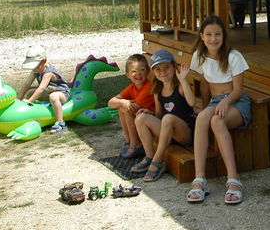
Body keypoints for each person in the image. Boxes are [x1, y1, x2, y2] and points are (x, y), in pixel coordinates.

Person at [186, 15, 252, 205]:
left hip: (236, 102)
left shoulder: (233, 56)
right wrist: (207, 107)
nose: (213, 39)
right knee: (202, 118)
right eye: (208, 34)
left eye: (217, 34)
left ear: (224, 36)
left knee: (216, 121)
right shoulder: (199, 56)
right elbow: (205, 86)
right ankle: (199, 180)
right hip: (216, 102)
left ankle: (233, 181)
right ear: (201, 36)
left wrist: (225, 102)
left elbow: (238, 91)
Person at [132, 49, 196, 182]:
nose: (163, 72)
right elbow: (159, 115)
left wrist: (184, 80)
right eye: (158, 69)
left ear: (174, 66)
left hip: (185, 133)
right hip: (168, 132)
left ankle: (157, 160)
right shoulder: (158, 90)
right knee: (140, 118)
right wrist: (149, 113)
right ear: (154, 73)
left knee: (169, 118)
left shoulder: (180, 86)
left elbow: (192, 102)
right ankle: (149, 156)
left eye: (167, 68)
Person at [108, 53, 155, 158]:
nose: (138, 74)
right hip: (140, 118)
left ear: (147, 71)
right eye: (134, 71)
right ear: (127, 75)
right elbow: (110, 103)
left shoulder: (149, 87)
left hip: (150, 119)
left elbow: (134, 107)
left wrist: (125, 104)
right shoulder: (132, 87)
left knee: (126, 109)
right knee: (122, 106)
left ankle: (135, 144)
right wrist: (123, 102)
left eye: (142, 70)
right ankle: (129, 141)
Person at [18, 44, 71, 134]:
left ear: (44, 61)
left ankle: (60, 123)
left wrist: (29, 101)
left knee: (53, 97)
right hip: (48, 93)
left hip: (62, 93)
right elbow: (27, 84)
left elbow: (41, 88)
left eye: (36, 65)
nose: (34, 68)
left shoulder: (48, 72)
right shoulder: (35, 70)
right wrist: (19, 99)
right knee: (30, 92)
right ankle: (30, 114)